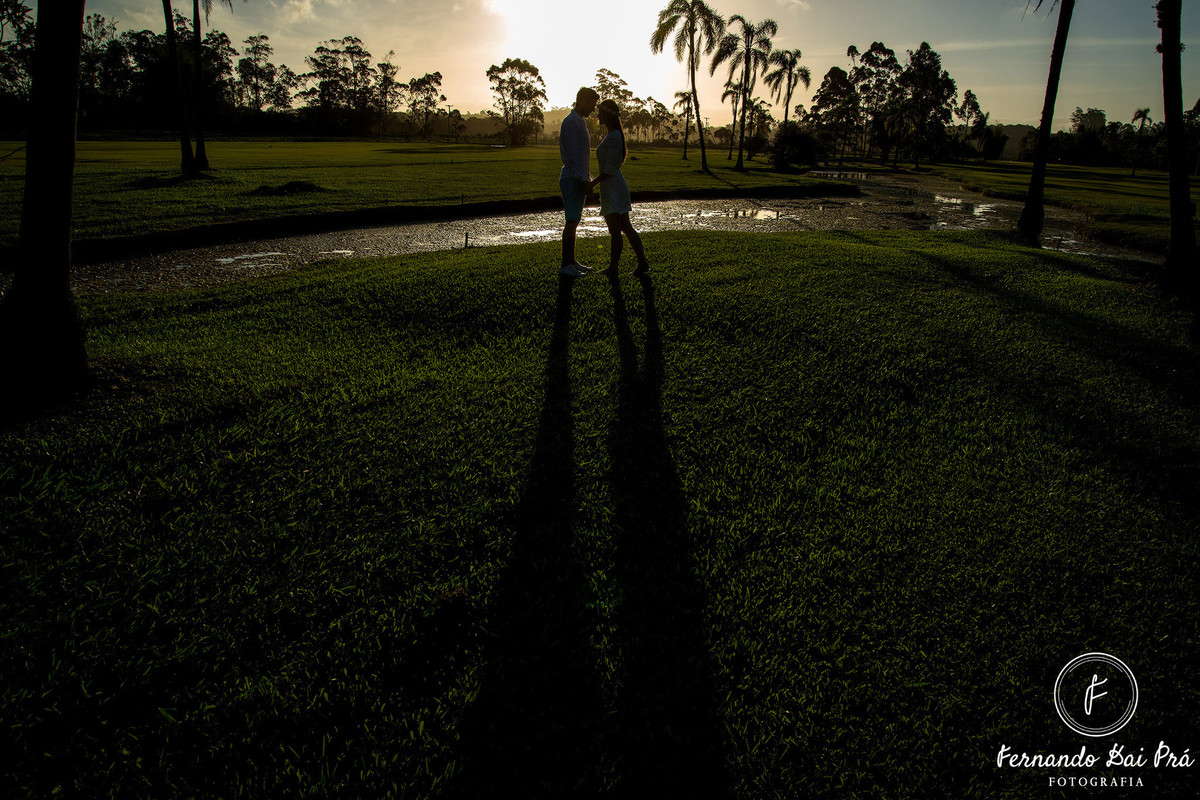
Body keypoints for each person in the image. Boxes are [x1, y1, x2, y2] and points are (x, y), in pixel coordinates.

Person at [586, 99, 650, 276]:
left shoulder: (614, 136)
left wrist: (592, 183)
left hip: (614, 189)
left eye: (600, 112)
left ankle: (614, 267)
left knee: (617, 230)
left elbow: (609, 169)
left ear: (607, 114)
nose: (597, 115)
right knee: (624, 228)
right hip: (611, 188)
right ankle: (640, 263)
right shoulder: (612, 135)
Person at [559, 87, 598, 277]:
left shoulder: (579, 122)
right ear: (581, 100)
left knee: (574, 221)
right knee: (571, 222)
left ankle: (571, 261)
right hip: (573, 178)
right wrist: (584, 180)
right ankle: (566, 264)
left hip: (578, 177)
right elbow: (574, 156)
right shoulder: (571, 123)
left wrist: (586, 178)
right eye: (592, 104)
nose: (593, 109)